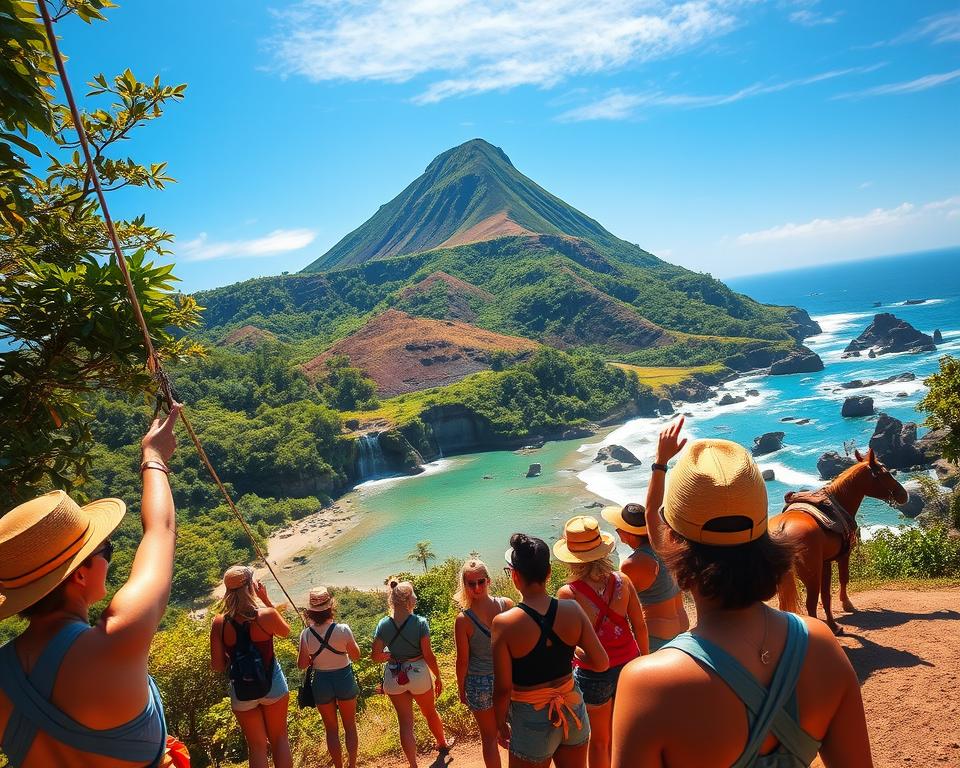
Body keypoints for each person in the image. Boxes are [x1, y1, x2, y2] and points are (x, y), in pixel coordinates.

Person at [611, 420, 873, 768]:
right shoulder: (821, 646)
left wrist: (660, 464)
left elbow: (651, 516)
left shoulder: (649, 685)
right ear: (767, 536)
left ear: (670, 541)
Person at [0, 404, 183, 767]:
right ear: (80, 574)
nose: (108, 558)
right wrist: (153, 457)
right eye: (106, 550)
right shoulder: (117, 640)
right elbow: (160, 532)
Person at [492, 533, 608, 768]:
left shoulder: (504, 623)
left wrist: (500, 723)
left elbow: (503, 689)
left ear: (514, 575)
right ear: (548, 573)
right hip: (572, 707)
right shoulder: (572, 610)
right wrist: (573, 651)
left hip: (531, 717)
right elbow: (601, 663)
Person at [555, 517, 647, 768]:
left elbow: (566, 643)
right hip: (629, 665)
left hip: (594, 672)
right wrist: (644, 663)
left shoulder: (568, 593)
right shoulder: (623, 581)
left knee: (599, 741)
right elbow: (639, 626)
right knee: (623, 734)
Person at [210, 566, 292, 768]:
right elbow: (286, 632)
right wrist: (267, 601)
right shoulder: (266, 615)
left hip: (242, 689)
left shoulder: (219, 622)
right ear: (250, 586)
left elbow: (218, 665)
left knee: (256, 746)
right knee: (279, 738)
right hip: (272, 682)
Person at [372, 579, 453, 768]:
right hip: (418, 673)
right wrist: (438, 676)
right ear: (409, 600)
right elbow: (428, 655)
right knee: (430, 712)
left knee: (405, 723)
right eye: (413, 594)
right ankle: (442, 743)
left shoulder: (383, 624)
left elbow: (375, 656)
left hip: (393, 676)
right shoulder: (419, 622)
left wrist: (389, 656)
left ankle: (413, 764)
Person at [601, 502, 689, 651]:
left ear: (626, 534)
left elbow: (616, 607)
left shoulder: (633, 563)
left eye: (618, 529)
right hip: (682, 624)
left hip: (657, 634)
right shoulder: (667, 547)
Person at [454, 558, 515, 768]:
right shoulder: (506, 605)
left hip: (479, 683)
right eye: (472, 584)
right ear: (465, 585)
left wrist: (461, 688)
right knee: (515, 731)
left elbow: (463, 661)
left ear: (488, 580)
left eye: (480, 581)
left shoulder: (464, 620)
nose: (477, 587)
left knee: (489, 738)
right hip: (507, 678)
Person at [297, 586, 361, 768]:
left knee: (331, 729)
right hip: (344, 677)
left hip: (321, 682)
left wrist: (312, 657)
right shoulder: (343, 629)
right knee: (350, 726)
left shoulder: (306, 634)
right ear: (331, 607)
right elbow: (355, 655)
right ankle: (352, 765)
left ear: (310, 611)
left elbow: (302, 665)